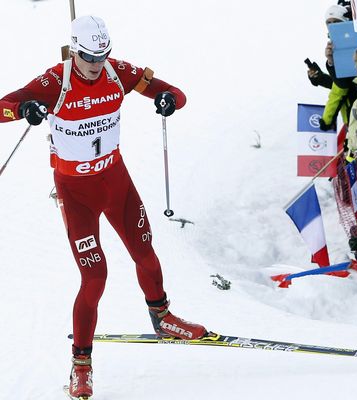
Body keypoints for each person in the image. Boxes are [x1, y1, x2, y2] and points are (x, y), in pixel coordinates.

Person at [0, 16, 212, 399]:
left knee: (146, 254)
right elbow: (3, 106)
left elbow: (175, 93)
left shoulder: (118, 73)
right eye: (88, 57)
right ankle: (81, 363)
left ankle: (162, 319)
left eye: (102, 56)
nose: (96, 65)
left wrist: (169, 100)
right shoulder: (55, 81)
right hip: (76, 192)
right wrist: (24, 110)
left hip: (115, 181)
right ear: (74, 50)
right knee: (95, 277)